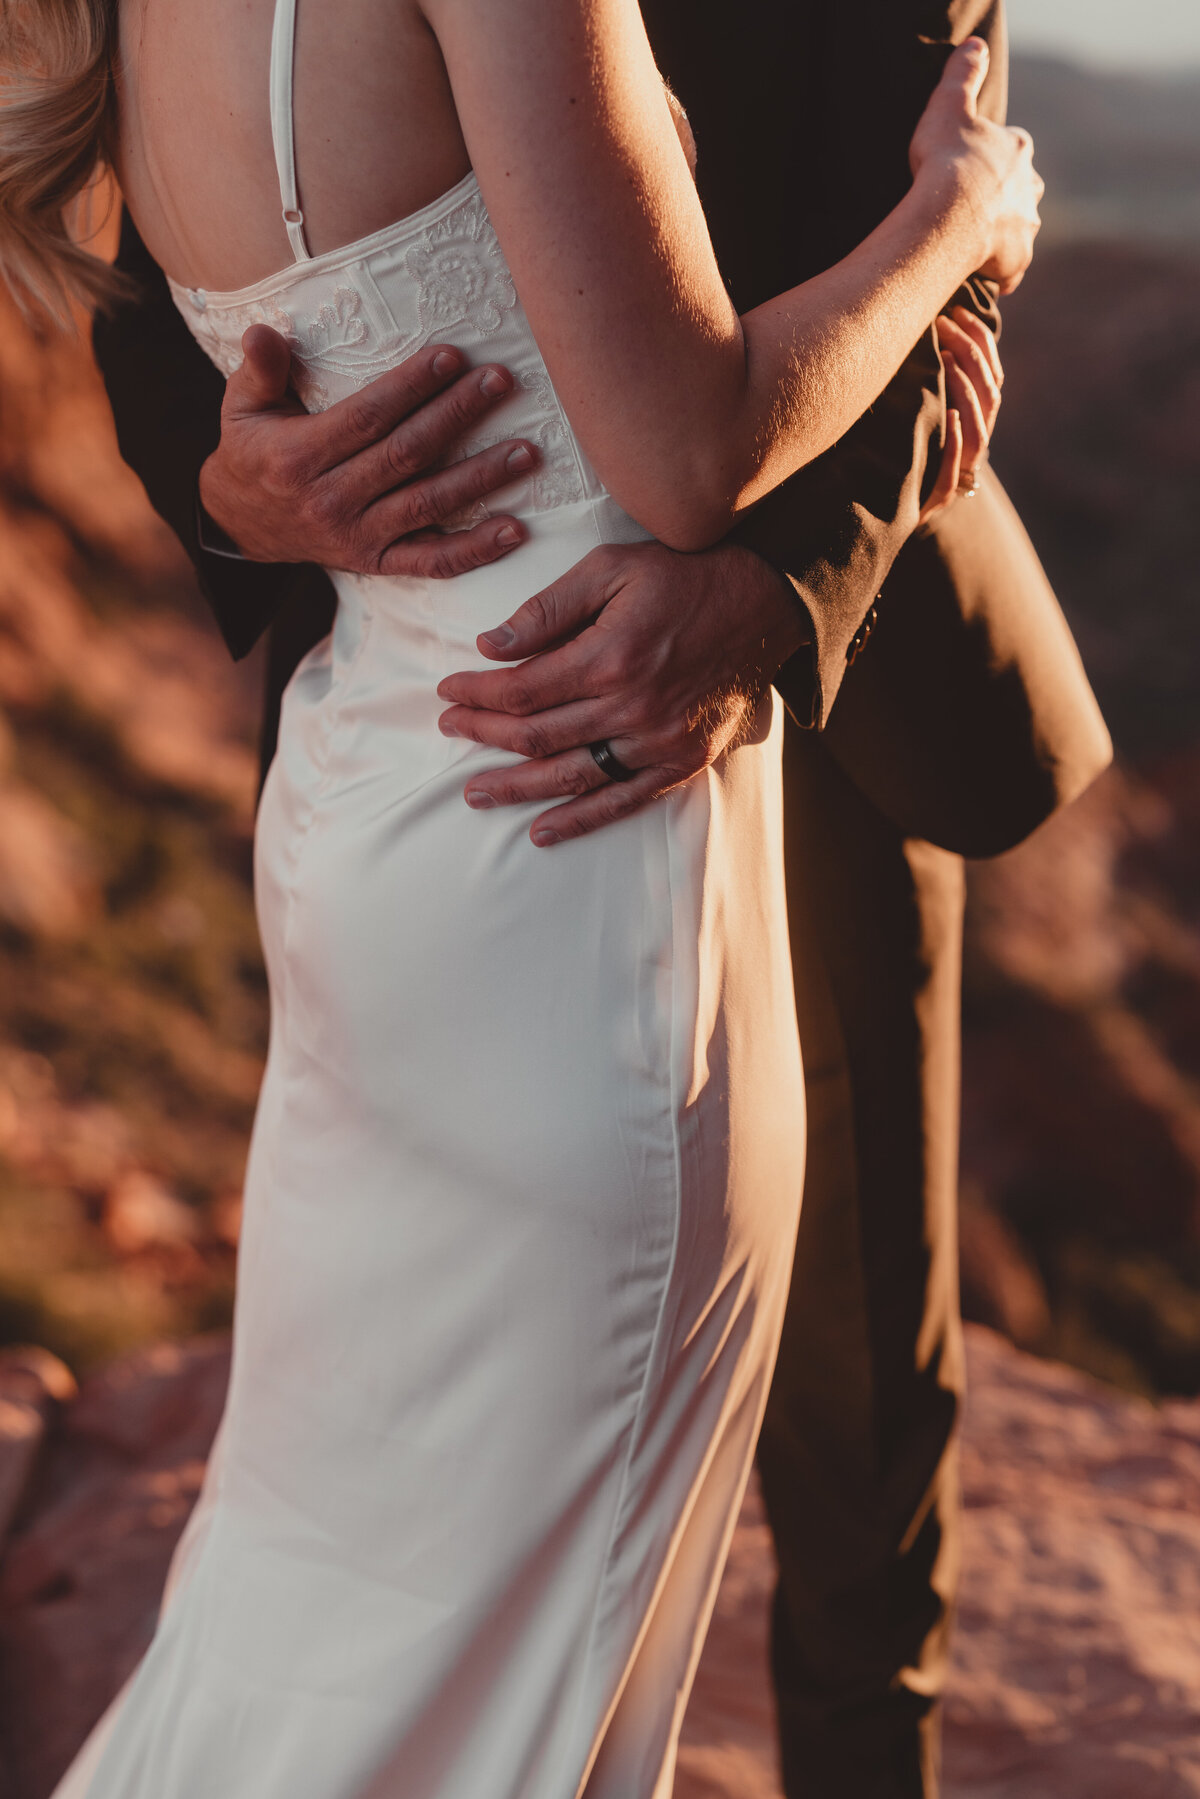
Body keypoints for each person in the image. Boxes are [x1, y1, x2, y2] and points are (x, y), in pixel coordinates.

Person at [0, 4, 1062, 1798]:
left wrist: (771, 601)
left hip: (769, 701)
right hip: (526, 811)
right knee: (522, 1600)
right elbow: (191, 344)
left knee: (849, 1443)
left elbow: (946, 206)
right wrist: (226, 486)